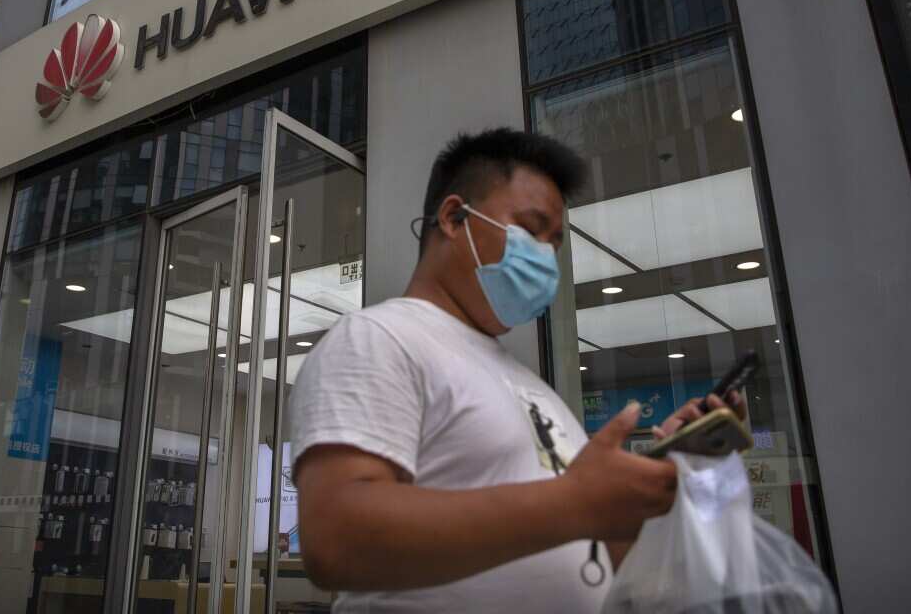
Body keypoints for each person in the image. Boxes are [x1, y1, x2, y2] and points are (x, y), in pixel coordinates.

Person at [287, 127, 744, 612]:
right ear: (454, 217)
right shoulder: (380, 339)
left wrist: (658, 475)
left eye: (555, 243)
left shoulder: (530, 386)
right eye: (530, 230)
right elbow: (337, 539)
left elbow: (596, 557)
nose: (546, 255)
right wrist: (573, 503)